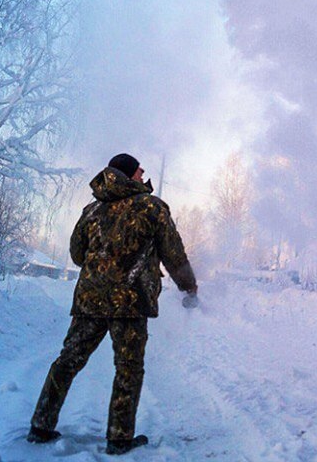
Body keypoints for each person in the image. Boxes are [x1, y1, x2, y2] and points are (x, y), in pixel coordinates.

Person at [27, 153, 198, 455]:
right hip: (131, 303)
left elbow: (77, 254)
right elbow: (174, 254)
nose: (143, 173)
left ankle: (41, 425)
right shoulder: (152, 207)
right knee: (128, 368)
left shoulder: (92, 210)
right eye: (139, 169)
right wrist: (189, 288)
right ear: (129, 174)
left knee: (67, 362)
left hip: (89, 300)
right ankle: (119, 438)